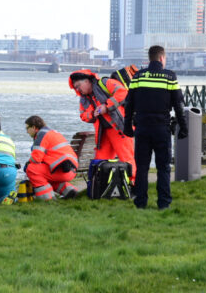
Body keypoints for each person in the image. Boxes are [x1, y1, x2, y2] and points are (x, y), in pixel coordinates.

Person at [123, 45, 187, 210]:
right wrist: (183, 127)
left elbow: (128, 104)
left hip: (142, 128)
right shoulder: (169, 77)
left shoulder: (138, 76)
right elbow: (179, 105)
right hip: (162, 128)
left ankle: (140, 203)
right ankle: (163, 203)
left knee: (142, 167)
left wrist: (127, 126)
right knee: (163, 167)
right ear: (161, 58)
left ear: (150, 58)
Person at [69, 68, 135, 182]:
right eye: (75, 87)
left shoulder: (106, 83)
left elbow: (123, 93)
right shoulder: (84, 99)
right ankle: (101, 187)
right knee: (100, 161)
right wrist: (92, 114)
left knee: (126, 158)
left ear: (87, 81)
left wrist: (106, 106)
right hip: (103, 132)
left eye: (78, 86)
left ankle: (134, 185)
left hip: (119, 128)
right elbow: (83, 116)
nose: (77, 89)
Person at [24, 116, 79, 200]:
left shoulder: (41, 135)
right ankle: (69, 191)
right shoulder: (50, 133)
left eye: (27, 128)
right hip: (70, 169)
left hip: (62, 169)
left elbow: (36, 158)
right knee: (43, 177)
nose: (26, 132)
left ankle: (47, 199)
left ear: (34, 127)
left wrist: (27, 164)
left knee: (32, 169)